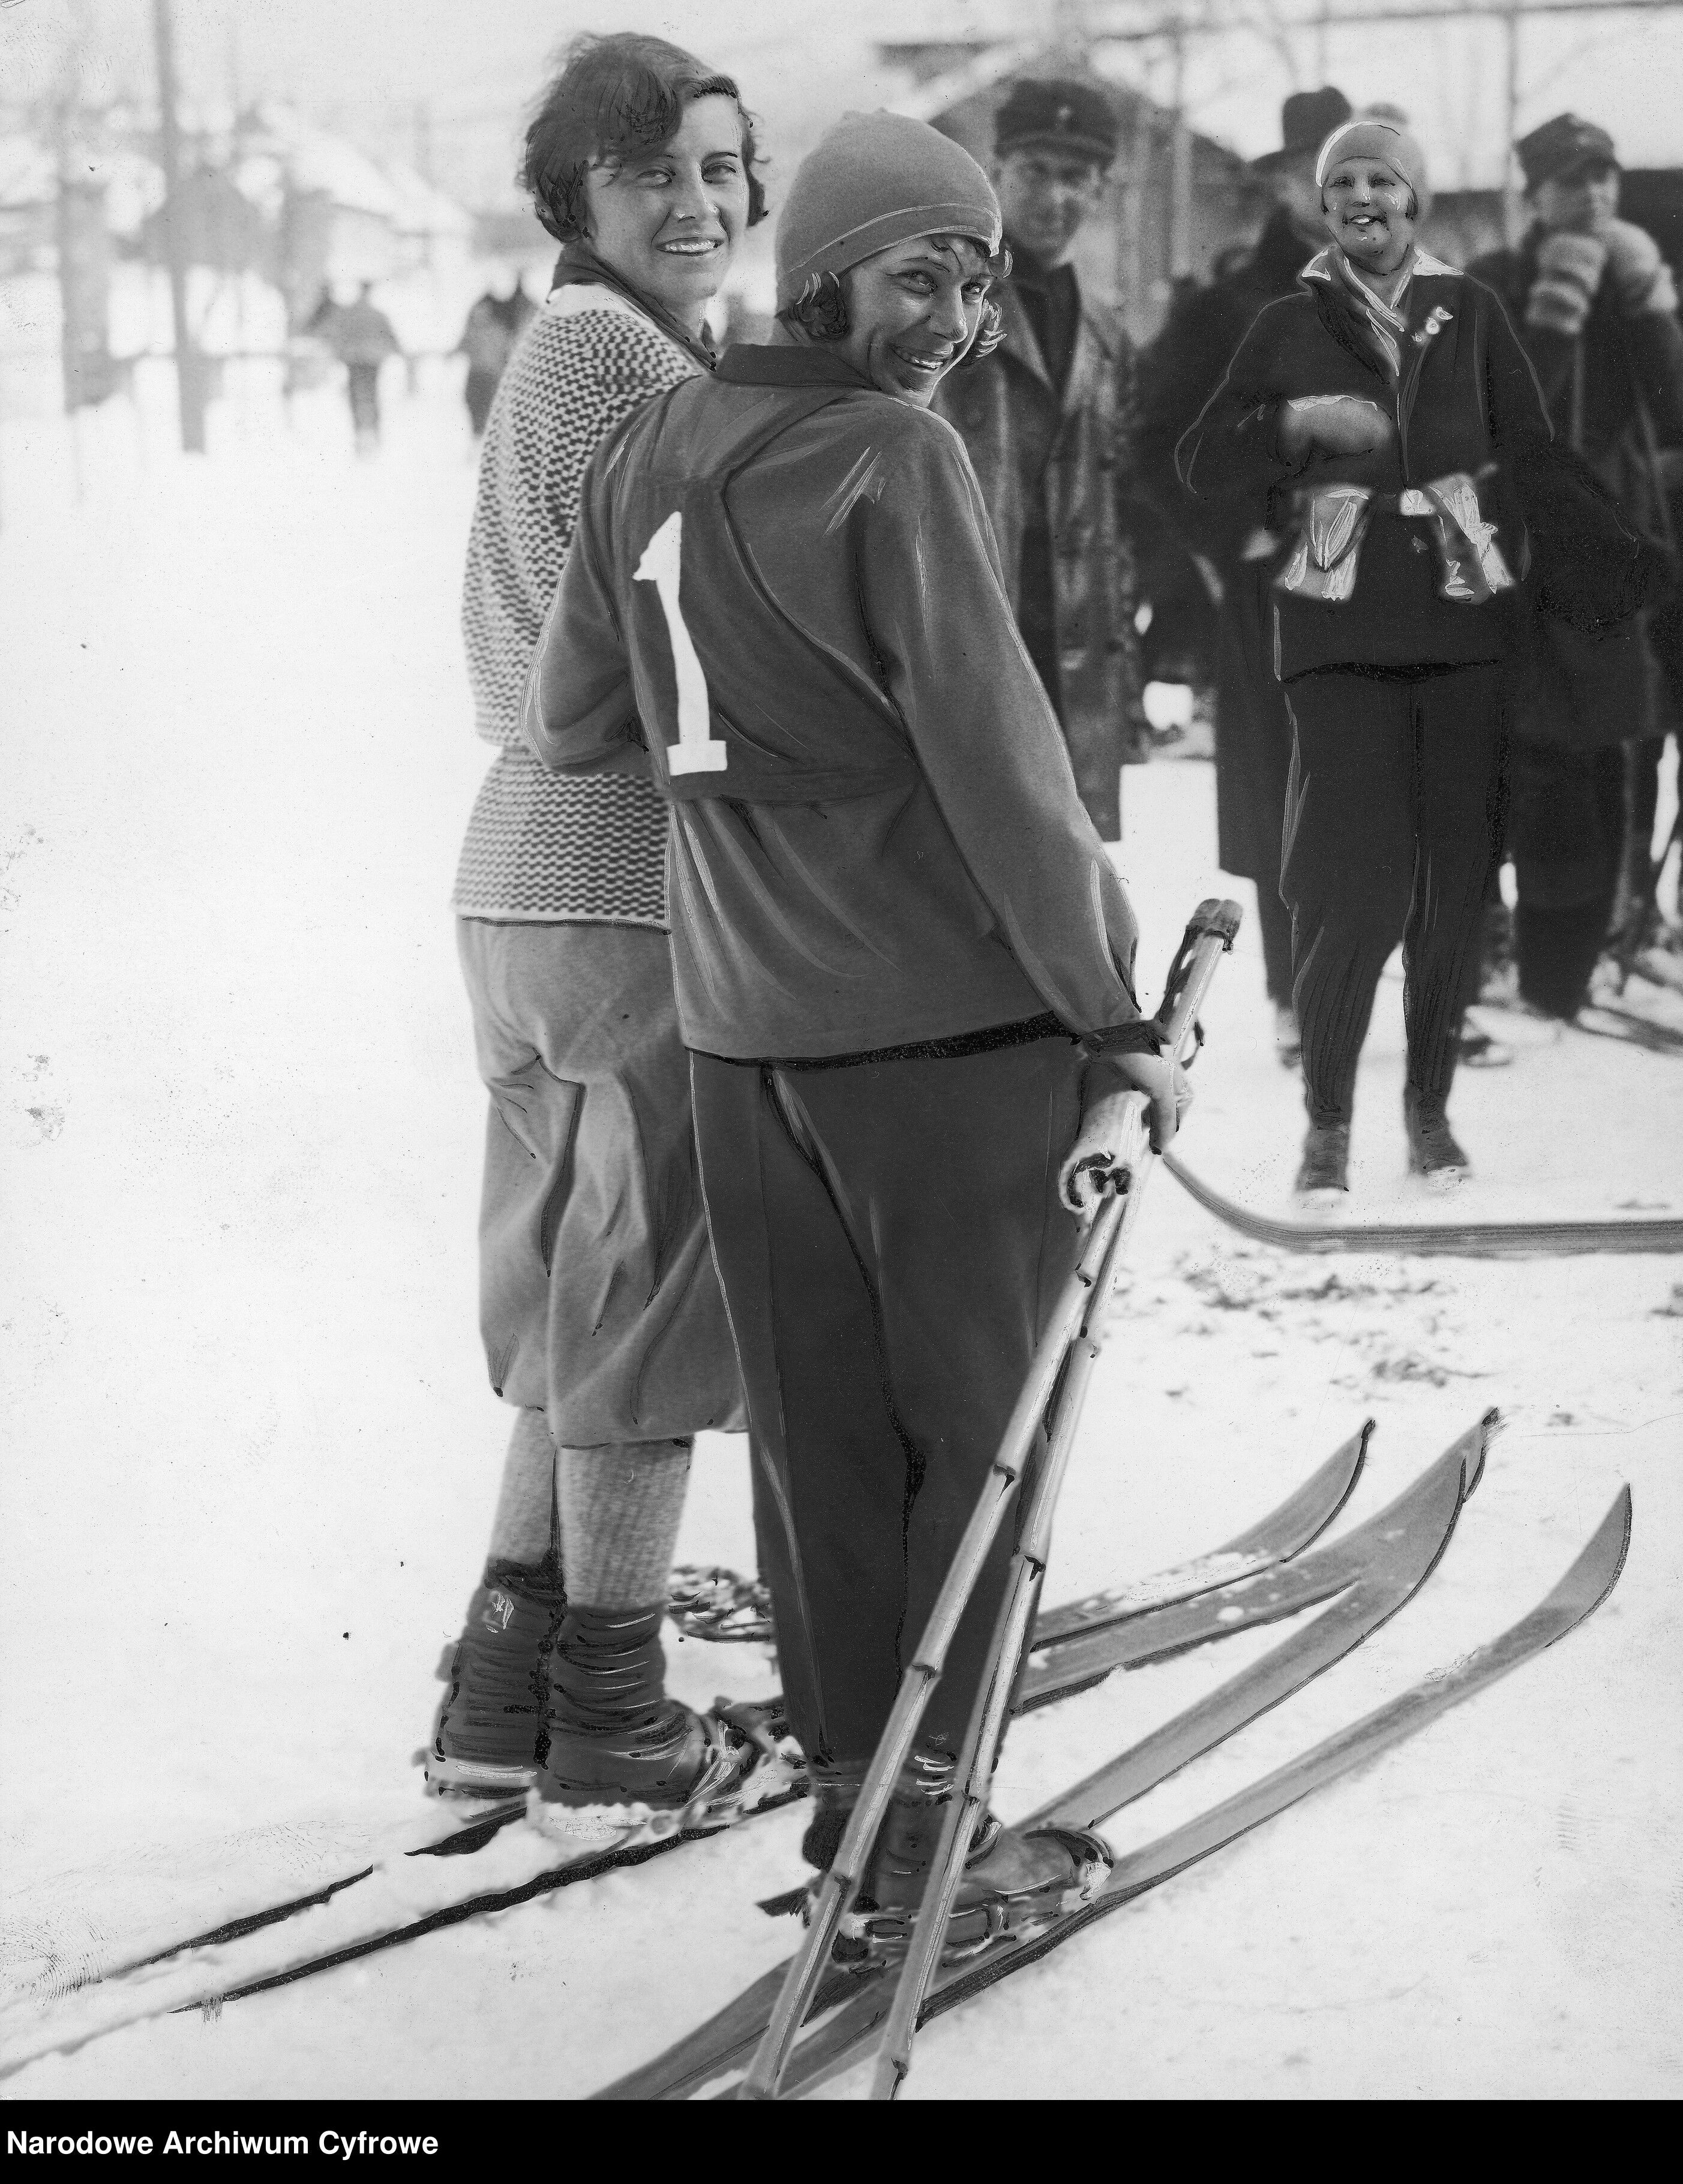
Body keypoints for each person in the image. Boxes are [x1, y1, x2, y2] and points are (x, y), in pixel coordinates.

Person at [523, 111, 1190, 1957]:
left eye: (976, 286)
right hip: (946, 1042)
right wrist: (1111, 1012)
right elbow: (1002, 768)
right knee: (972, 1450)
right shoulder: (891, 454)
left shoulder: (642, 436)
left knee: (821, 1457)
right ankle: (929, 1849)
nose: (952, 319)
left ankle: (851, 1803)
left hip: (743, 1037)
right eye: (920, 272)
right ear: (823, 270)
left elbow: (577, 711)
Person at [433, 34, 769, 1840]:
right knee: (641, 1313)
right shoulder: (640, 366)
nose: (697, 200)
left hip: (513, 887)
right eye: (652, 171)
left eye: (720, 166)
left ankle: (500, 1689)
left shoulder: (562, 347)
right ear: (574, 196)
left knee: (575, 1308)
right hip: (624, 887)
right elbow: (665, 670)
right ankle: (617, 1710)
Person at [1178, 115, 1662, 1196]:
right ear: (1324, 202)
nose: (1362, 198)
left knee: (1453, 882)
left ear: (1417, 202)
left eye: (1383, 182)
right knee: (1353, 885)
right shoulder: (1283, 323)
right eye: (1341, 181)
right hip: (1337, 623)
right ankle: (1328, 1125)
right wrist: (1300, 424)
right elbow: (1202, 454)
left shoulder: (1473, 312)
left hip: (1460, 619)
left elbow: (1532, 450)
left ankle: (1430, 1114)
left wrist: (1623, 559)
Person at [1136, 87, 1352, 1063]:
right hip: (1281, 582)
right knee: (1292, 790)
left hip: (1391, 570)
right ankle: (1297, 1000)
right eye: (1317, 172)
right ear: (1277, 181)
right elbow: (1154, 442)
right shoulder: (1229, 307)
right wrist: (1232, 542)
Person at [1468, 115, 1683, 1019]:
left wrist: (1646, 303)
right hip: (1524, 549)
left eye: (1604, 176)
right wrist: (1558, 301)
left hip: (1620, 547)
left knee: (1624, 744)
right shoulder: (1496, 284)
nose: (1593, 196)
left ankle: (1610, 929)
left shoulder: (1630, 277)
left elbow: (1674, 410)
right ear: (1532, 196)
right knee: (1526, 754)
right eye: (1569, 181)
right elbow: (1505, 420)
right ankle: (1505, 946)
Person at [931, 79, 1145, 842]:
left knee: (1070, 898)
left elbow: (1116, 509)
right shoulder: (943, 304)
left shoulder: (1105, 329)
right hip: (972, 643)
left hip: (1075, 658)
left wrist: (1126, 675)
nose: (1058, 197)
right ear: (995, 170)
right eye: (1036, 172)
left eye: (1078, 178)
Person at [455, 271, 538, 439]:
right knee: (478, 402)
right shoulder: (484, 311)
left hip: (496, 373)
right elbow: (466, 342)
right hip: (483, 372)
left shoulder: (519, 312)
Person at [324, 280, 400, 452]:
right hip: (372, 361)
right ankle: (373, 433)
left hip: (355, 360)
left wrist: (339, 354)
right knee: (372, 395)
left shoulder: (350, 313)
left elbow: (338, 335)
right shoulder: (377, 314)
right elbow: (391, 337)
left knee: (357, 396)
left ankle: (361, 434)